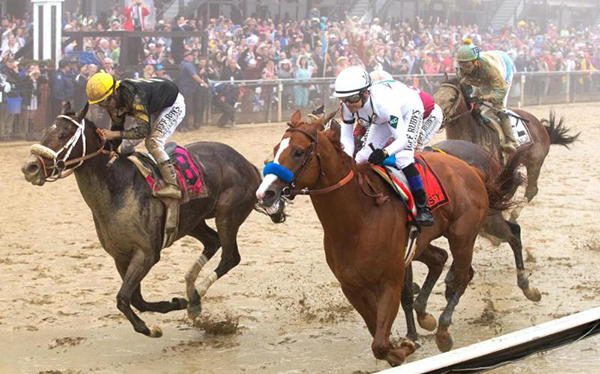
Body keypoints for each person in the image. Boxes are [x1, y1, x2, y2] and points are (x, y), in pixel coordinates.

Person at [334, 66, 434, 226]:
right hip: (380, 119)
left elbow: (403, 140)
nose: (348, 104)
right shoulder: (347, 106)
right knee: (360, 158)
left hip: (409, 110)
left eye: (352, 98)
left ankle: (424, 208)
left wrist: (385, 152)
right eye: (343, 99)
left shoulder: (384, 104)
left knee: (403, 158)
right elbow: (346, 137)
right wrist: (346, 160)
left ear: (365, 93)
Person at [85, 72, 186, 199]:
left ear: (114, 92)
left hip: (172, 105)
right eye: (99, 104)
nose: (104, 106)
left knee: (153, 142)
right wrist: (107, 147)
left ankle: (174, 185)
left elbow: (144, 131)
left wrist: (114, 134)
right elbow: (118, 127)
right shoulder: (114, 99)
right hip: (151, 106)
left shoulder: (134, 97)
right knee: (126, 146)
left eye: (105, 101)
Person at [456, 39, 517, 156]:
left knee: (497, 108)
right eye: (462, 65)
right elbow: (465, 85)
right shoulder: (462, 69)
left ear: (475, 62)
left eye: (467, 65)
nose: (465, 69)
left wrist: (484, 98)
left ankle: (511, 141)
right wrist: (469, 98)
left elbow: (500, 91)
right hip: (482, 78)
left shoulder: (490, 69)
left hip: (503, 72)